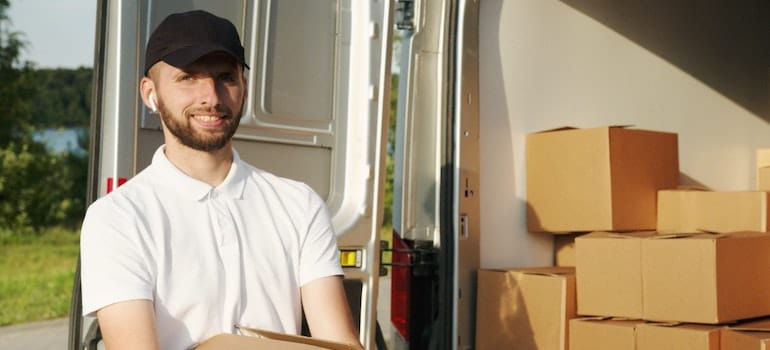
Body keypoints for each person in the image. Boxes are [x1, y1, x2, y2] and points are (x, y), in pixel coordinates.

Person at [79, 10, 362, 350]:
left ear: (244, 87)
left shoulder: (299, 204)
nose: (211, 97)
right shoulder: (118, 217)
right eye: (188, 78)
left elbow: (339, 343)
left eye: (225, 77)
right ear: (150, 93)